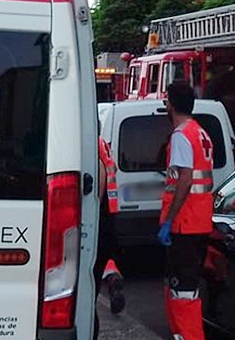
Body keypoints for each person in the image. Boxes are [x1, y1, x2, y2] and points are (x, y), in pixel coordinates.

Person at [157, 82, 214, 340]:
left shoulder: (181, 135)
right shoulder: (199, 132)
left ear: (170, 103)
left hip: (184, 224)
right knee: (181, 288)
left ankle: (188, 336)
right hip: (199, 222)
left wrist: (169, 221)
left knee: (183, 292)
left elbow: (185, 180)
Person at [94, 136, 126, 339]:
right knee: (106, 257)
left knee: (91, 281)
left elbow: (99, 182)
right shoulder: (101, 142)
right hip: (110, 215)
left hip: (100, 217)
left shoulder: (90, 143)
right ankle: (113, 278)